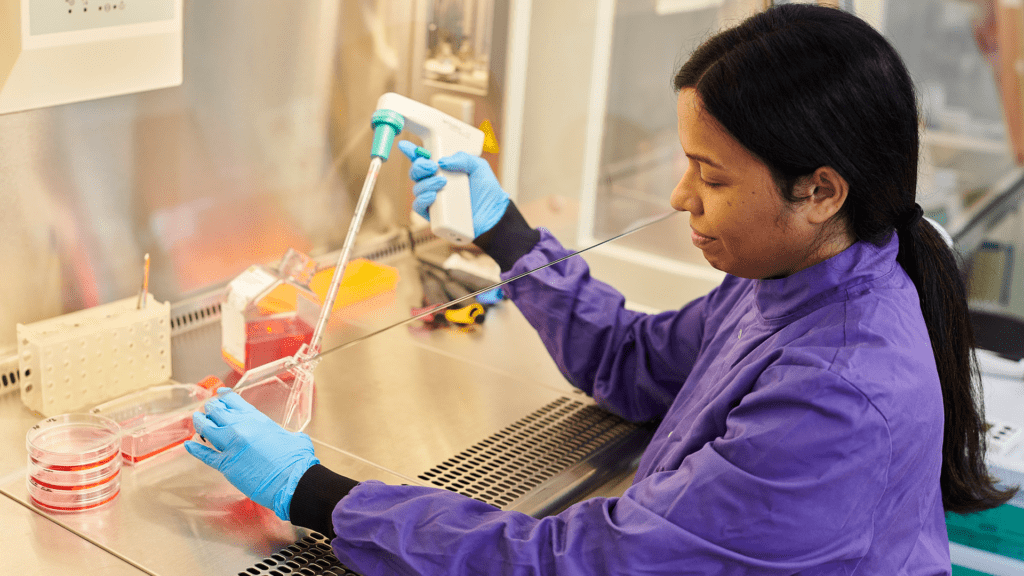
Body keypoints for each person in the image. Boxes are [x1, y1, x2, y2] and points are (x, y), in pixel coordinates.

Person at [186, 5, 1018, 574]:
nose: (680, 199)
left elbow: (590, 563)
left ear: (822, 191)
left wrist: (320, 495)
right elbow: (634, 360)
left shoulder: (838, 395)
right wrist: (503, 229)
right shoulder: (794, 280)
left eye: (712, 177)